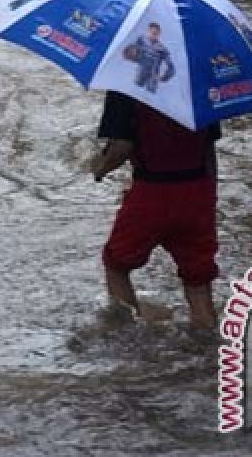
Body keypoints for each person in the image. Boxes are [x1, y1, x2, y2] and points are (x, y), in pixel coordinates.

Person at [91, 91, 221, 330]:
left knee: (117, 264)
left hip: (151, 192)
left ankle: (127, 338)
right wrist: (209, 197)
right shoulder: (200, 87)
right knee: (198, 278)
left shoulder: (127, 87)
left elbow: (121, 146)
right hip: (198, 191)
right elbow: (208, 150)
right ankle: (209, 352)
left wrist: (99, 168)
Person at [123, 22, 174, 93]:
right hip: (140, 74)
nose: (154, 34)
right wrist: (130, 55)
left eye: (156, 33)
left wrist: (163, 78)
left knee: (148, 97)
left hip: (152, 79)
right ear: (148, 31)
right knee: (134, 93)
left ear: (159, 34)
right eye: (152, 32)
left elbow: (171, 67)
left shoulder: (162, 49)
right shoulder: (141, 40)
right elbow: (128, 52)